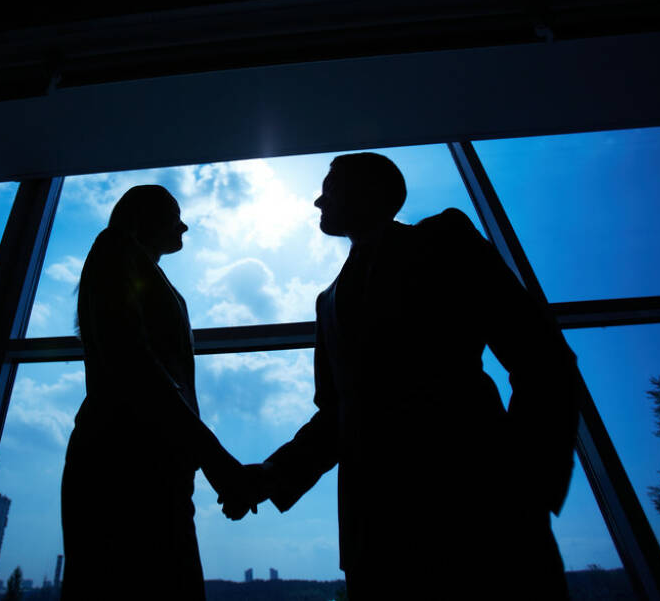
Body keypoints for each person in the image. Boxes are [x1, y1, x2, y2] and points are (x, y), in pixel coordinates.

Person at [221, 153, 580, 599]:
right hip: (377, 537)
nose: (317, 201)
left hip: (479, 516)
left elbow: (542, 357)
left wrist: (524, 485)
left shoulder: (445, 241)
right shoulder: (326, 302)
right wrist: (271, 474)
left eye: (329, 189)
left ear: (369, 191)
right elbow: (338, 415)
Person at [61, 185, 249, 600]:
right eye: (172, 214)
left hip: (141, 457)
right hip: (126, 460)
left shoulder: (130, 262)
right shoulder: (117, 252)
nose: (184, 225)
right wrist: (214, 458)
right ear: (142, 218)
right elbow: (135, 364)